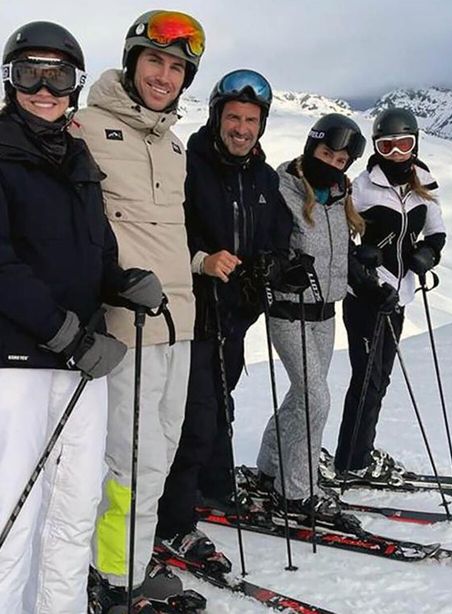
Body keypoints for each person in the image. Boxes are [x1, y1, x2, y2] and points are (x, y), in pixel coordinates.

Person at [0, 20, 162, 613]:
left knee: (74, 509)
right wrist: (64, 333)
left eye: (59, 74)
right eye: (29, 72)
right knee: (16, 515)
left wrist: (121, 283)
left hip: (82, 363)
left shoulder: (76, 155)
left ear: (75, 84)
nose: (45, 88)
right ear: (9, 80)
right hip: (17, 366)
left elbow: (94, 246)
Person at [69, 9, 206, 610]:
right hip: (130, 325)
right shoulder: (86, 127)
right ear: (132, 62)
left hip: (181, 322)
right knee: (129, 460)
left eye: (177, 67)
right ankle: (113, 580)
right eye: (155, 60)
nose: (164, 75)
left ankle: (129, 560)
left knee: (161, 455)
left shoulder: (173, 144)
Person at [155, 69, 292, 565]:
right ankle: (175, 520)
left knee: (219, 409)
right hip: (190, 313)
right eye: (233, 117)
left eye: (251, 120)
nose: (241, 128)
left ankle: (207, 491)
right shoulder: (187, 164)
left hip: (235, 319)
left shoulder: (263, 177)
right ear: (217, 118)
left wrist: (274, 264)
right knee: (194, 418)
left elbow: (277, 235)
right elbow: (167, 230)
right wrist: (202, 260)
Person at [254, 113, 370, 513]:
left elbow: (340, 254)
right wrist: (279, 268)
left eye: (341, 161)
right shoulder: (282, 188)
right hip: (289, 311)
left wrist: (367, 279)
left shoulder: (339, 196)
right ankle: (296, 490)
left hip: (326, 314)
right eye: (326, 154)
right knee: (316, 398)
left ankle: (270, 466)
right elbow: (264, 243)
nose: (333, 165)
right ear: (311, 148)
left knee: (302, 396)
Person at [332, 107, 443, 481]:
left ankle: (360, 454)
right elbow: (341, 233)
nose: (396, 152)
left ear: (415, 143)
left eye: (404, 144)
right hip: (365, 295)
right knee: (366, 377)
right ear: (377, 148)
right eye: (387, 145)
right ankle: (351, 461)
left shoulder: (424, 181)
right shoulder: (362, 186)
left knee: (381, 377)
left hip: (399, 296)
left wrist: (428, 254)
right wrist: (362, 256)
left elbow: (436, 230)